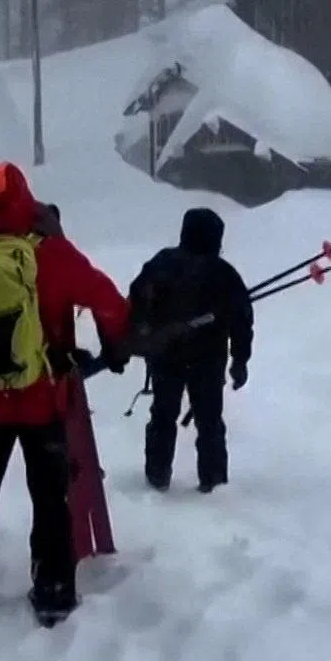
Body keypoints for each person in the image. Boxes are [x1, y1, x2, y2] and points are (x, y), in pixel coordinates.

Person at [0, 162, 130, 626]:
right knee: (49, 495)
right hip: (43, 400)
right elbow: (108, 301)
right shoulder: (52, 255)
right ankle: (54, 592)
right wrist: (115, 341)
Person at [129, 207, 253, 493]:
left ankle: (157, 477)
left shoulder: (161, 263)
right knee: (209, 422)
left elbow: (137, 301)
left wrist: (143, 336)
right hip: (207, 361)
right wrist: (240, 360)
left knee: (162, 416)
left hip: (165, 357)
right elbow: (242, 320)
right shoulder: (224, 273)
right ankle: (214, 482)